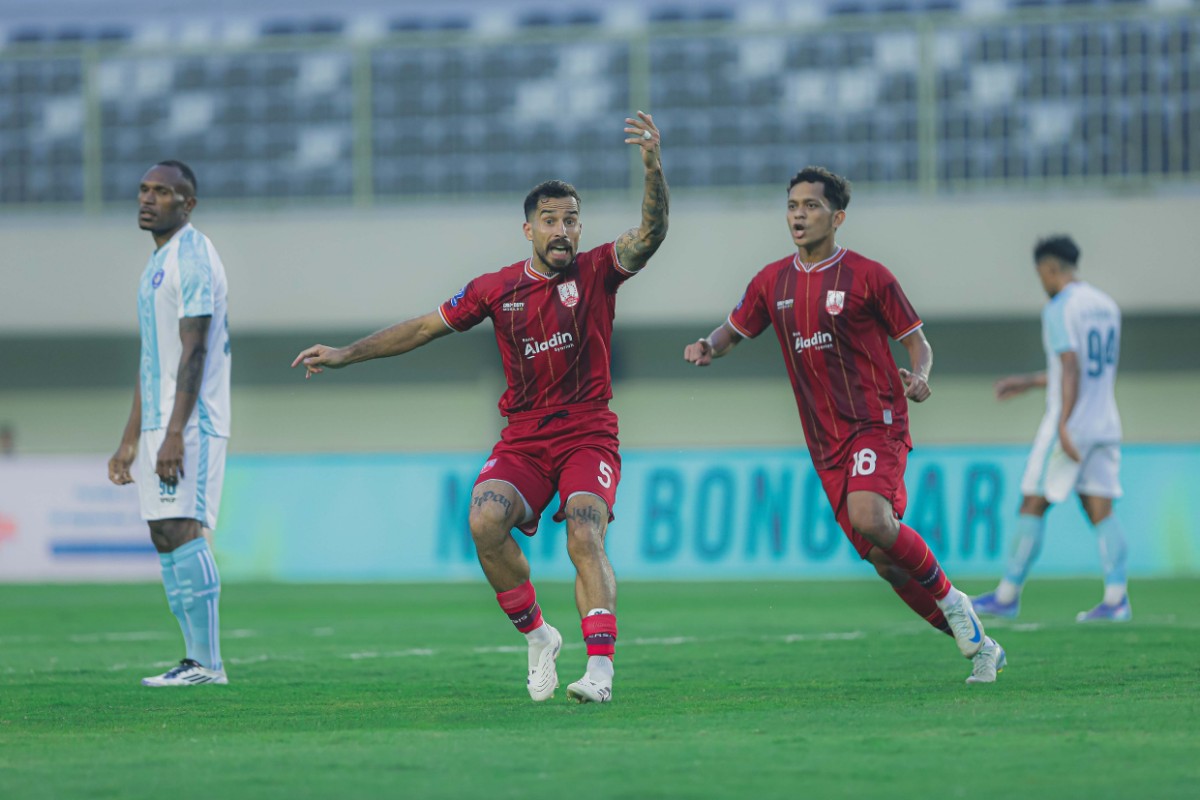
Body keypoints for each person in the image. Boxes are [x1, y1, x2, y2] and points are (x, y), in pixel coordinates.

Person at [292, 112, 668, 704]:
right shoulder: (496, 289)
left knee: (584, 529)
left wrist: (652, 169)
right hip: (523, 438)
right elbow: (421, 329)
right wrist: (343, 354)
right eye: (551, 221)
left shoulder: (598, 272)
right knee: (483, 521)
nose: (564, 230)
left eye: (572, 219)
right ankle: (539, 635)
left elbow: (649, 234)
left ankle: (600, 671)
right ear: (528, 230)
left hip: (588, 432)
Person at [683, 166, 1005, 684]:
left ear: (838, 217)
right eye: (792, 206)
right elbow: (734, 329)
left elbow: (917, 342)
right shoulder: (773, 281)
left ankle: (952, 597)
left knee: (872, 518)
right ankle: (982, 645)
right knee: (884, 559)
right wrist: (708, 347)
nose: (798, 215)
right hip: (824, 441)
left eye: (810, 206)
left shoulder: (868, 276)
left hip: (876, 420)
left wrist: (920, 378)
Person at [108, 160, 232, 686]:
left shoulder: (194, 256)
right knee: (163, 533)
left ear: (188, 203)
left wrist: (177, 431)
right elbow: (151, 360)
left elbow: (194, 348)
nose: (148, 198)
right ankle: (192, 659)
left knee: (184, 527)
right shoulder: (157, 263)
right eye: (143, 189)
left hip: (193, 420)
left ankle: (208, 664)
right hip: (161, 421)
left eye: (162, 191)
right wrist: (130, 439)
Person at [972, 236, 1129, 622]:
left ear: (1050, 268)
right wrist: (1027, 382)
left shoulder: (1059, 308)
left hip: (1071, 421)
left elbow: (1072, 366)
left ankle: (1007, 595)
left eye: (1040, 272)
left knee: (1033, 501)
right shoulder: (1106, 306)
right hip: (1105, 420)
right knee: (1100, 510)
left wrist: (1062, 423)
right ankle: (1116, 599)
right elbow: (1084, 369)